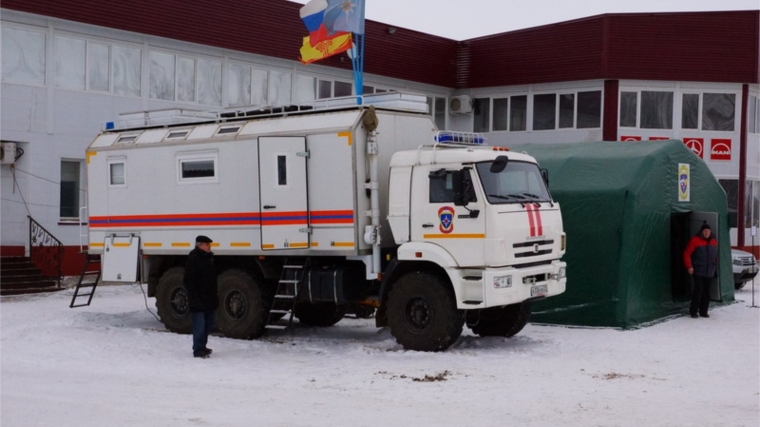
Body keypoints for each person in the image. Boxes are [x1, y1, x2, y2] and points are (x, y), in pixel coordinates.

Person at [184, 235, 218, 358]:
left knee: (209, 324)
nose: (209, 246)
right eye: (207, 244)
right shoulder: (193, 258)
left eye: (210, 244)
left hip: (209, 297)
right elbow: (189, 280)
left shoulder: (209, 258)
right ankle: (198, 349)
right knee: (199, 325)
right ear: (199, 245)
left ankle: (202, 346)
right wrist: (194, 298)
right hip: (198, 298)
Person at [683, 223, 718, 318]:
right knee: (698, 290)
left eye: (708, 231)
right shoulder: (695, 240)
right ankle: (693, 311)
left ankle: (704, 311)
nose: (707, 233)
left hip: (709, 271)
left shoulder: (714, 241)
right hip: (698, 270)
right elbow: (687, 253)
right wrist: (689, 266)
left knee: (706, 292)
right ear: (701, 232)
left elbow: (716, 256)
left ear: (711, 232)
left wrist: (715, 265)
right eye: (705, 231)